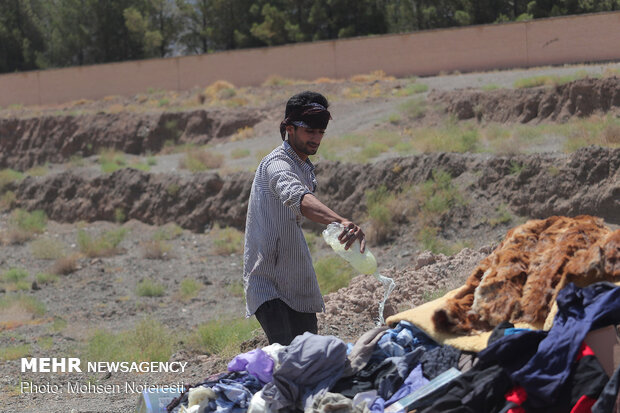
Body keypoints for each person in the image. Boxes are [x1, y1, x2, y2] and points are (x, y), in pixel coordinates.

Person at [243, 90, 366, 346]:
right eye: (310, 131)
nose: (316, 138)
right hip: (269, 283)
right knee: (289, 359)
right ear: (289, 128)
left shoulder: (304, 166)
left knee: (311, 356)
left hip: (296, 279)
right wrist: (341, 221)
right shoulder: (277, 164)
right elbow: (297, 198)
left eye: (321, 132)